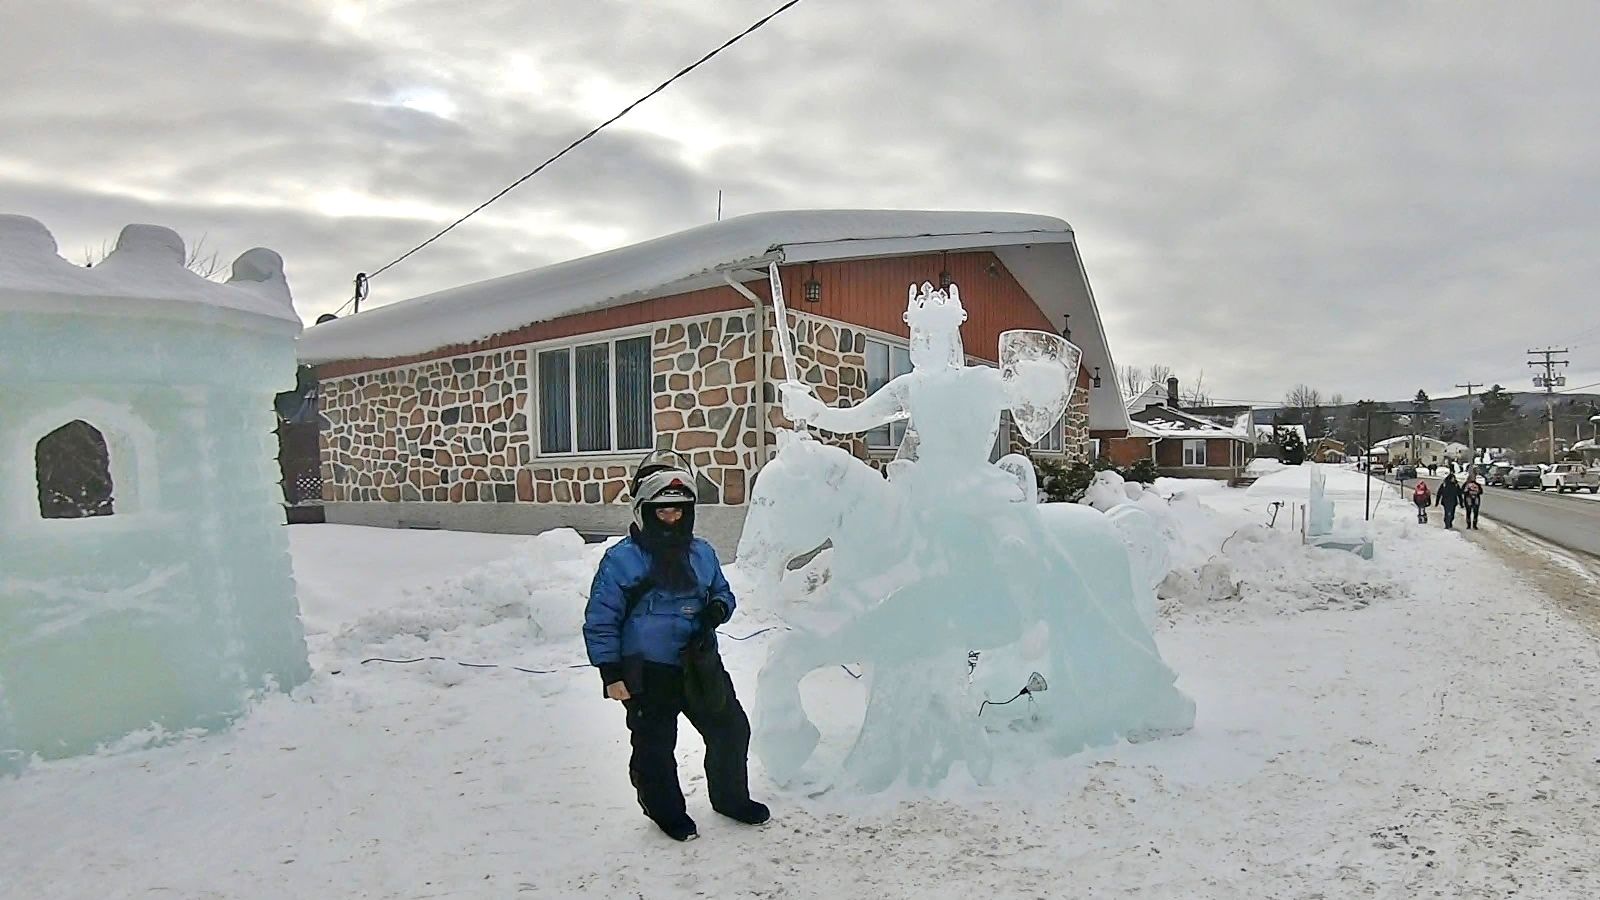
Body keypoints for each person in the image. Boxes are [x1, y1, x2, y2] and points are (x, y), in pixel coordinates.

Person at [583, 457, 769, 842]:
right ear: (644, 511)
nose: (671, 517)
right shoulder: (621, 560)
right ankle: (665, 812)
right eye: (662, 509)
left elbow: (722, 591)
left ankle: (730, 798)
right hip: (647, 671)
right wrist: (610, 673)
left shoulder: (702, 553)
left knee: (731, 730)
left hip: (699, 664)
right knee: (654, 748)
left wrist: (717, 609)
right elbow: (601, 619)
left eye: (679, 509)